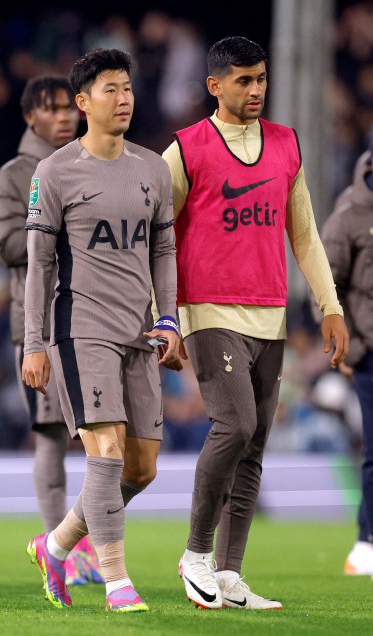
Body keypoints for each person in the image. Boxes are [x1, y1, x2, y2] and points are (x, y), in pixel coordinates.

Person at [164, 36, 349, 610]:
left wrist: (331, 305)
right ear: (214, 86)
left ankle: (229, 573)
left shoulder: (286, 145)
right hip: (209, 311)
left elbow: (305, 234)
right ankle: (195, 554)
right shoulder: (186, 150)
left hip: (268, 315)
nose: (256, 89)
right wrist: (162, 318)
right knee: (236, 426)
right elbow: (157, 239)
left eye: (261, 78)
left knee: (255, 446)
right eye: (243, 80)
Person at [21, 48, 180, 613]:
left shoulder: (152, 168)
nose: (125, 99)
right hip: (80, 328)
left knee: (141, 468)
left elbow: (164, 248)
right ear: (84, 102)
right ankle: (116, 583)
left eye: (128, 88)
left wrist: (169, 319)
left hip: (140, 331)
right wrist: (33, 343)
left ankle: (56, 544)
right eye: (111, 89)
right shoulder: (55, 171)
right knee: (106, 454)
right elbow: (39, 265)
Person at [0, 74, 102, 587]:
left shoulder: (89, 162)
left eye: (68, 108)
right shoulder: (16, 174)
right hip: (38, 323)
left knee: (100, 434)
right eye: (52, 109)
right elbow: (9, 246)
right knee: (53, 436)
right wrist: (59, 225)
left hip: (93, 318)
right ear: (29, 116)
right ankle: (60, 546)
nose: (64, 117)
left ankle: (84, 547)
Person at [320, 145, 373, 577]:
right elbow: (329, 284)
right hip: (370, 351)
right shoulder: (350, 215)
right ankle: (365, 543)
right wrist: (350, 346)